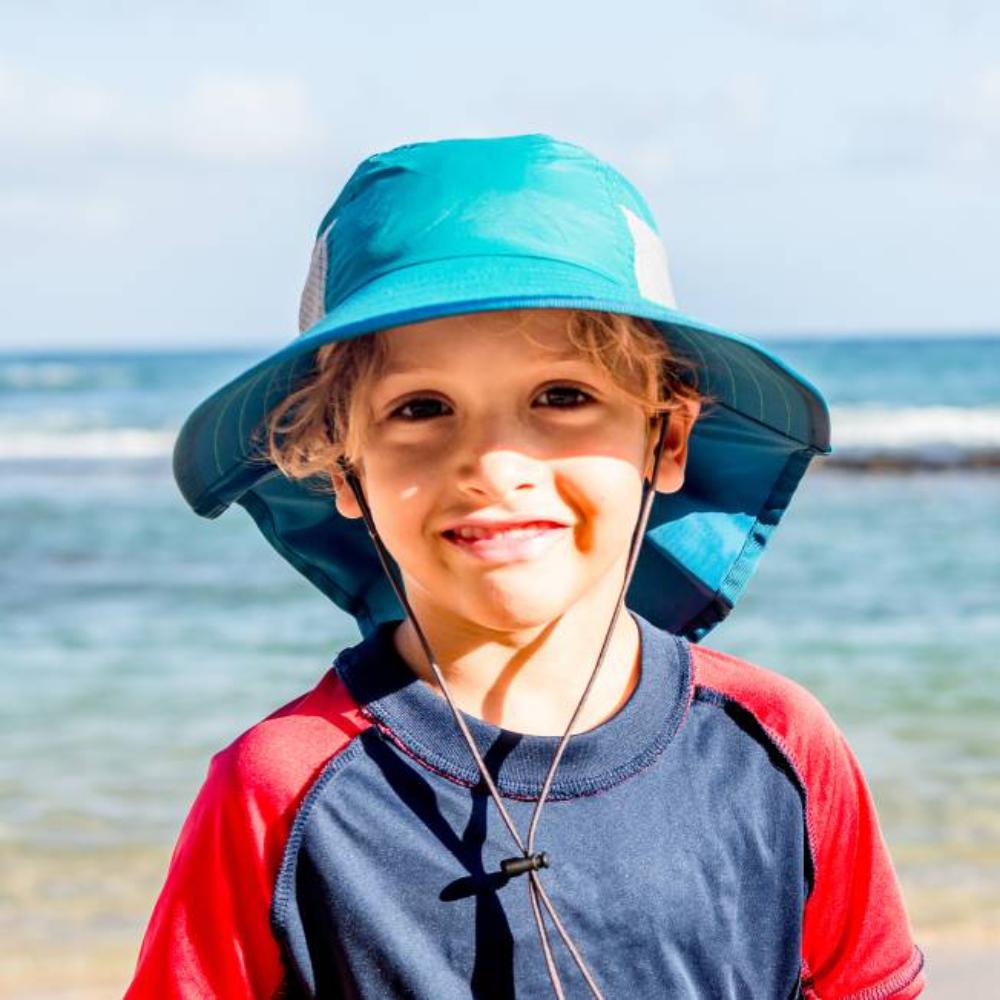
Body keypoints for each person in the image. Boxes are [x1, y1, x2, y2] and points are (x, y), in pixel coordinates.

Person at [126, 134, 925, 999]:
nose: (494, 464)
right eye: (421, 408)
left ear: (668, 436)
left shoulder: (777, 743)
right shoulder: (279, 788)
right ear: (341, 468)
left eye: (563, 397)